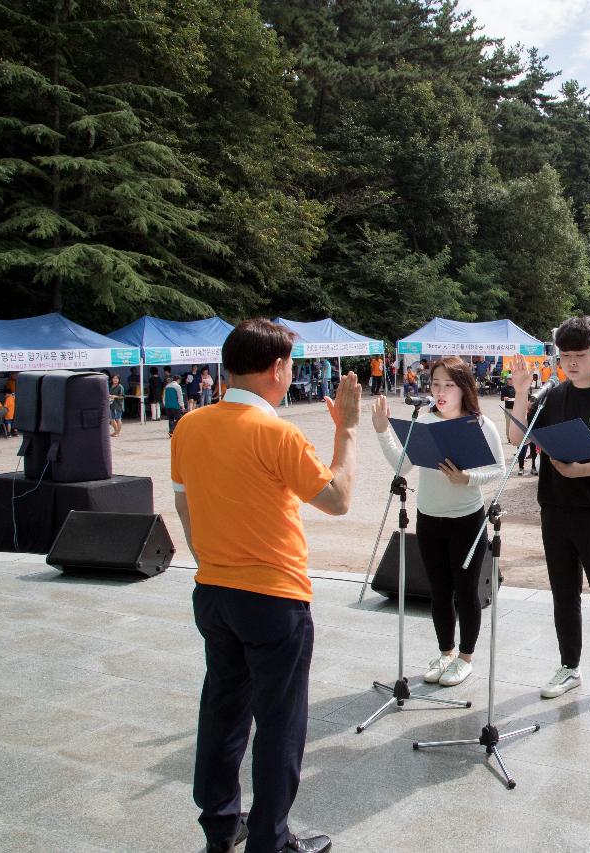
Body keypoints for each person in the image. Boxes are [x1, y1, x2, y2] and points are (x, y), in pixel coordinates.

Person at [173, 319, 360, 853]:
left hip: (213, 590)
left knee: (223, 710)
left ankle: (220, 825)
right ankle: (270, 840)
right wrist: (345, 430)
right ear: (277, 369)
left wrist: (210, 558)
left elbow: (185, 503)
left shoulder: (189, 425)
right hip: (274, 596)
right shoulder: (277, 433)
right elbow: (338, 498)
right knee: (279, 722)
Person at [506, 318, 590, 713]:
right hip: (555, 506)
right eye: (565, 357)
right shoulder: (553, 395)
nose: (571, 364)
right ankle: (569, 666)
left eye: (580, 356)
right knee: (563, 593)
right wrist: (521, 392)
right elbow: (517, 439)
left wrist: (583, 469)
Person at [371, 357, 505, 687]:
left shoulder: (480, 424)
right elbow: (401, 467)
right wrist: (381, 430)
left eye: (448, 385)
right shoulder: (425, 420)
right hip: (429, 519)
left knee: (465, 592)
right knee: (439, 591)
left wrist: (468, 478)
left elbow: (500, 470)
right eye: (435, 385)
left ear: (464, 388)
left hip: (467, 521)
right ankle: (445, 653)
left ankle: (465, 657)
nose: (440, 391)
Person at [163, 371, 185, 436]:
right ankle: (172, 430)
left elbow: (164, 396)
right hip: (175, 405)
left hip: (168, 405)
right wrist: (182, 405)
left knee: (171, 419)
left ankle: (171, 432)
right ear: (178, 380)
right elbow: (180, 396)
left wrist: (165, 404)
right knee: (179, 418)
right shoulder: (177, 386)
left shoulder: (167, 386)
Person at [108, 373, 125, 437]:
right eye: (114, 378)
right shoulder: (111, 386)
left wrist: (115, 396)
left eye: (116, 378)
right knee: (112, 419)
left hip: (118, 404)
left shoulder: (120, 386)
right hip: (111, 404)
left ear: (119, 379)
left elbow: (123, 396)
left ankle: (118, 432)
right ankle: (115, 431)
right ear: (112, 379)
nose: (115, 380)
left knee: (118, 418)